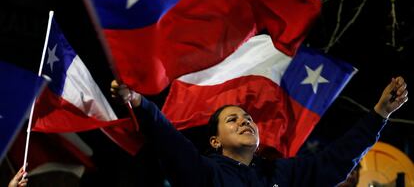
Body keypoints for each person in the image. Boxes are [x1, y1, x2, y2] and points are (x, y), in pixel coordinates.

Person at [111, 76, 408, 187]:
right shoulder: (205, 175)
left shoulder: (281, 173)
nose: (245, 122)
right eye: (232, 120)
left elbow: (335, 162)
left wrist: (380, 113)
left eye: (248, 118)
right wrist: (138, 102)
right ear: (215, 141)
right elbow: (170, 141)